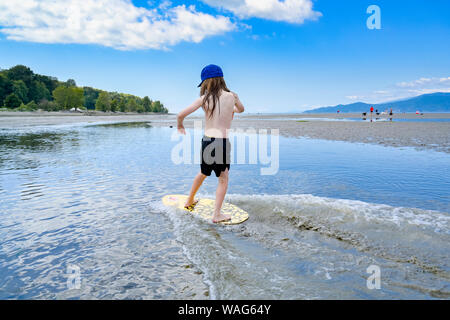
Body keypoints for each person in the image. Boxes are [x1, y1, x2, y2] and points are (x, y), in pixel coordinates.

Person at [177, 64, 245, 223]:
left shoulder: (205, 99)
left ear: (206, 82)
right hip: (221, 142)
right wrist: (232, 108)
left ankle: (189, 200)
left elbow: (181, 114)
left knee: (203, 172)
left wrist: (180, 125)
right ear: (222, 79)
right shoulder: (232, 96)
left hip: (207, 141)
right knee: (223, 179)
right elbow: (241, 109)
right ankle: (216, 214)